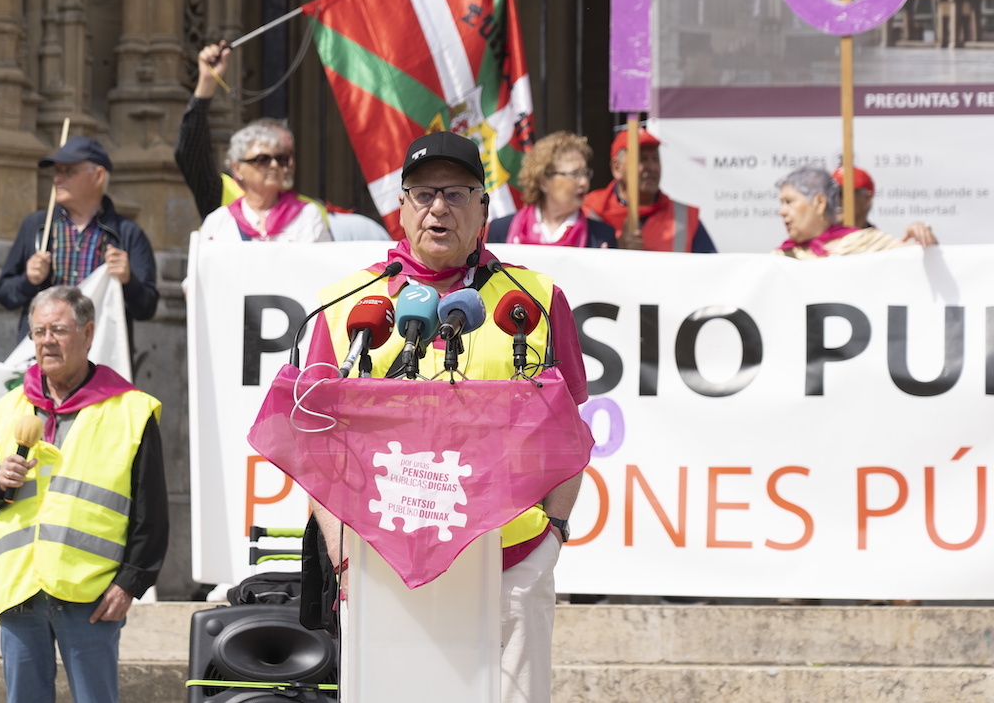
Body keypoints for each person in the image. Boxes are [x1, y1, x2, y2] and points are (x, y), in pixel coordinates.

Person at [304, 131, 587, 703]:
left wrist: (551, 538)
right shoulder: (346, 307)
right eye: (424, 193)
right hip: (379, 565)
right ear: (401, 208)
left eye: (457, 194)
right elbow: (316, 443)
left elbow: (569, 432)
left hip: (510, 560)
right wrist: (342, 555)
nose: (439, 208)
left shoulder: (533, 300)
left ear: (484, 208)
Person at [0, 285, 168, 703]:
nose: (46, 342)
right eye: (38, 332)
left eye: (58, 330)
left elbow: (153, 509)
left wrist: (131, 582)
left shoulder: (131, 410)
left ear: (88, 333)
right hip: (21, 588)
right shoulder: (9, 408)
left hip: (90, 593)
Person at [174, 40, 346, 242]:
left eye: (284, 157)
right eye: (263, 159)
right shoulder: (221, 201)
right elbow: (190, 153)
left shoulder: (309, 213)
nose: (283, 165)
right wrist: (207, 83)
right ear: (237, 168)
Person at [0, 137, 158, 344]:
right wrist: (28, 280)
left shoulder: (128, 234)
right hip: (42, 354)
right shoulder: (36, 226)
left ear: (98, 176)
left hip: (100, 355)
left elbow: (147, 308)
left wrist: (129, 281)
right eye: (56, 171)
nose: (57, 179)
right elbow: (5, 295)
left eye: (68, 171)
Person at [584, 127, 716, 252]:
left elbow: (711, 270)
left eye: (655, 159)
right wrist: (618, 249)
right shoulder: (590, 212)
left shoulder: (684, 217)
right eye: (642, 159)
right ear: (617, 167)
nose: (652, 167)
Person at [486, 131, 617, 248]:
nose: (584, 182)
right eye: (575, 174)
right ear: (544, 180)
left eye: (585, 173)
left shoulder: (601, 237)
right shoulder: (501, 230)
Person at [773, 166, 936, 258]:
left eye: (789, 202)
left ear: (820, 202)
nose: (782, 211)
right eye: (782, 203)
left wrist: (922, 231)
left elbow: (927, 258)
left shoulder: (866, 242)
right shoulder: (781, 256)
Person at [829, 166, 937, 247]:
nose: (835, 200)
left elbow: (929, 260)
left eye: (841, 193)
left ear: (867, 198)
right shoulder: (817, 242)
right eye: (830, 194)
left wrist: (924, 235)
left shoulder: (880, 243)